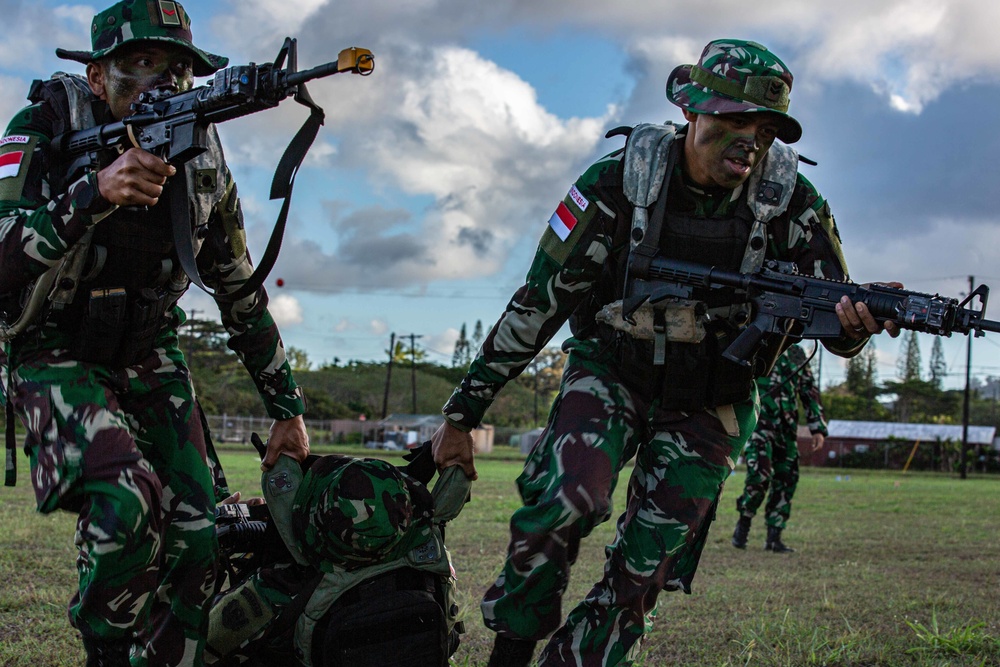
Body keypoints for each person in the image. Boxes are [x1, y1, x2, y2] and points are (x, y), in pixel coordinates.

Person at [431, 39, 900, 667]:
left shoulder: (794, 205)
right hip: (614, 372)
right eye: (733, 120)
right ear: (693, 111)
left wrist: (858, 324)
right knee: (565, 501)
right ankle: (509, 654)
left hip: (716, 396)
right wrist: (462, 416)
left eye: (763, 129)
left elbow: (838, 321)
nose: (749, 141)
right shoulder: (618, 185)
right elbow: (539, 304)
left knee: (644, 568)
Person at [0, 2, 309, 665]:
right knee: (125, 504)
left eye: (177, 70)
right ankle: (107, 651)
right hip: (55, 348)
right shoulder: (47, 124)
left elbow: (237, 288)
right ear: (94, 75)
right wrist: (93, 193)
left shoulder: (202, 159)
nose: (160, 85)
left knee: (201, 536)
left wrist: (287, 408)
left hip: (147, 351)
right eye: (139, 65)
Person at [732, 342, 827, 553]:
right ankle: (744, 522)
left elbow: (808, 390)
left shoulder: (796, 353)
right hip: (759, 426)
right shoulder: (759, 343)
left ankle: (774, 537)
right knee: (760, 477)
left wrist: (817, 428)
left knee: (787, 479)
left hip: (787, 430)